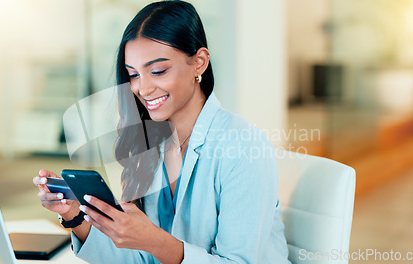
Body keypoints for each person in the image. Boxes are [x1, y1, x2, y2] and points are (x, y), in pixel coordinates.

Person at [33, 1, 290, 263]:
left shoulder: (243, 147)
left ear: (199, 62)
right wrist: (75, 216)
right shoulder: (152, 144)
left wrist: (155, 241)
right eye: (133, 75)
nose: (142, 89)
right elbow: (142, 258)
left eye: (157, 71)